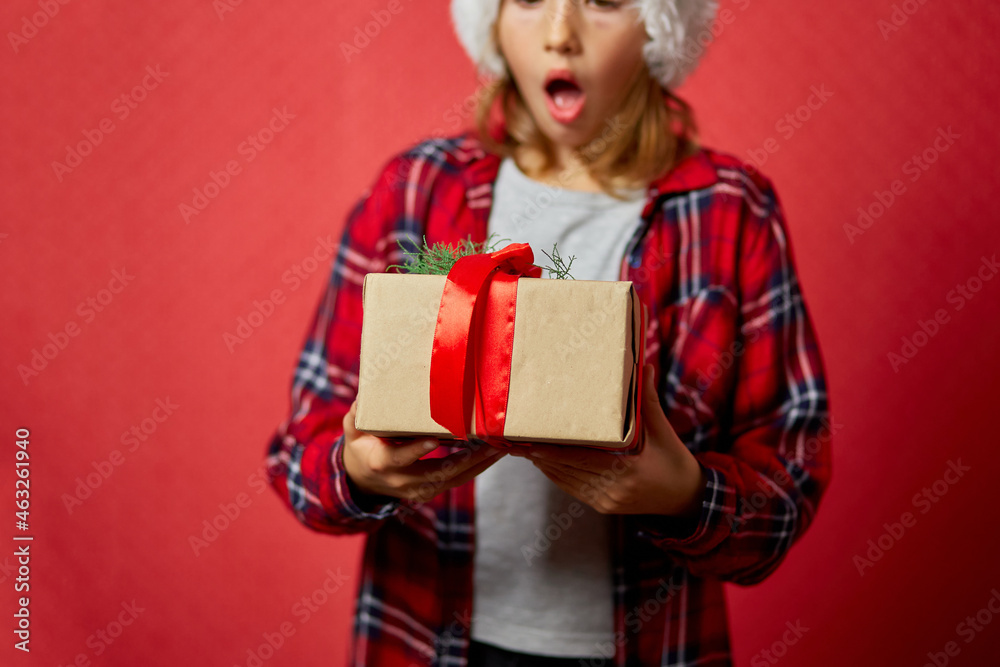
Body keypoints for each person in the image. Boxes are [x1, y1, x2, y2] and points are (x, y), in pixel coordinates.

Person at [265, 0, 833, 665]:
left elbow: (789, 482)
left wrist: (684, 493)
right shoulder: (415, 190)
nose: (561, 34)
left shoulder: (732, 210)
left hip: (649, 644)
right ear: (493, 22)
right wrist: (360, 469)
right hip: (424, 636)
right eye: (531, 1)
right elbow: (300, 456)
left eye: (605, 2)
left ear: (659, 25)